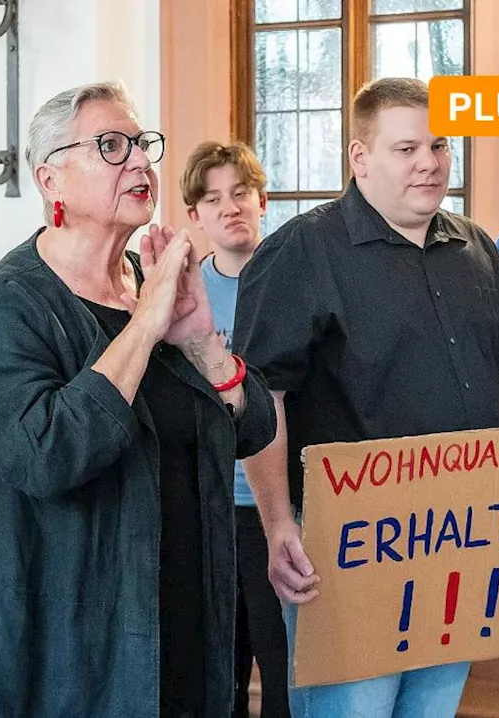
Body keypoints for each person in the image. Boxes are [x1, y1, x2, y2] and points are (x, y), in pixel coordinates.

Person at [231, 77, 499, 718]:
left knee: (431, 707)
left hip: (459, 546)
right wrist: (278, 525)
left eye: (439, 146)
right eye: (407, 148)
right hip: (346, 555)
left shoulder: (478, 247)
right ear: (360, 158)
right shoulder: (300, 253)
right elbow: (261, 396)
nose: (430, 163)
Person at [0, 81, 277, 718]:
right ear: (50, 180)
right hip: (70, 646)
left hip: (177, 619)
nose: (140, 161)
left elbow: (248, 430)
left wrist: (200, 341)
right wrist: (147, 323)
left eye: (142, 144)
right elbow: (48, 453)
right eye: (112, 146)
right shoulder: (5, 304)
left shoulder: (152, 287)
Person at [180, 140, 289, 718]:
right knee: (217, 668)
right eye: (213, 199)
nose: (230, 207)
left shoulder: (294, 282)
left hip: (281, 510)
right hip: (210, 504)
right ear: (195, 216)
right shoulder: (181, 293)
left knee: (283, 665)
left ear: (262, 200)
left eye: (241, 193)